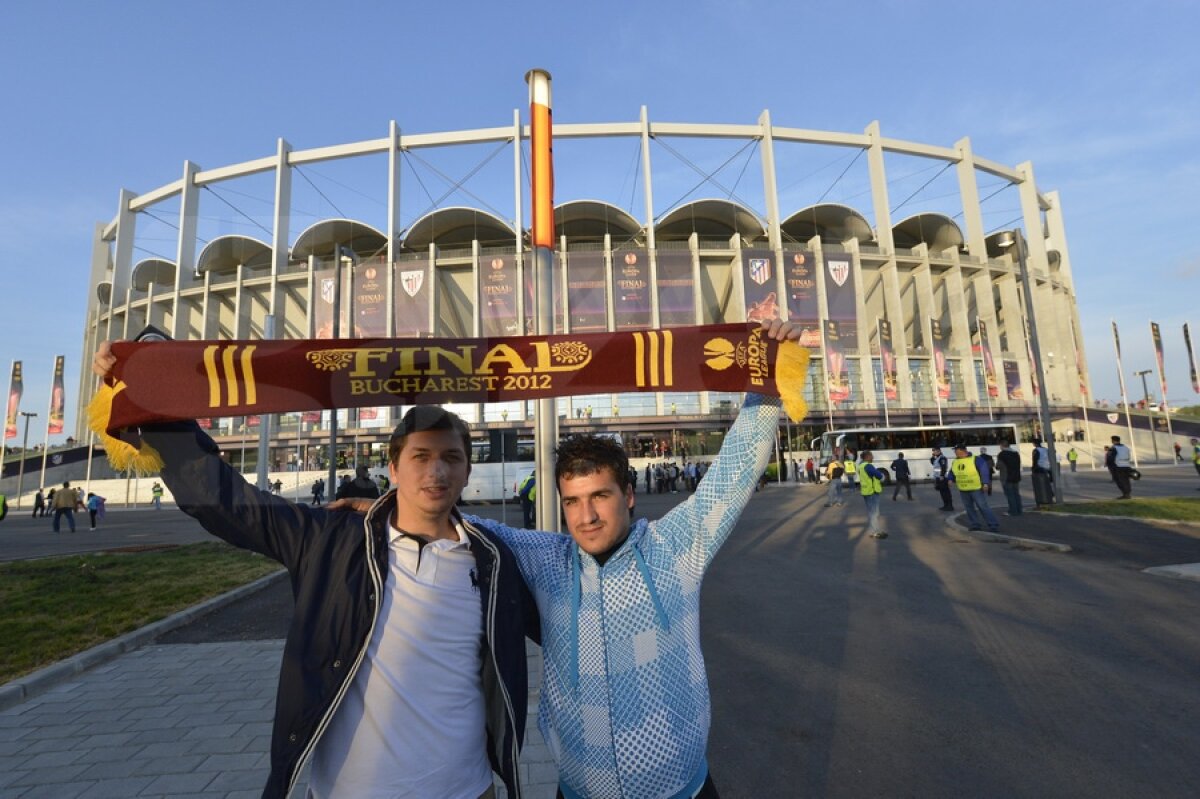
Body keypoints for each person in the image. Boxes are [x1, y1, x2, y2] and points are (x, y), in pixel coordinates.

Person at [92, 343, 536, 799]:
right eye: (421, 457)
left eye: (451, 458)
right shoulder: (330, 541)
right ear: (394, 468)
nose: (436, 472)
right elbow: (225, 501)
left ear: (466, 471)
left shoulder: (495, 561)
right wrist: (156, 387)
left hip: (467, 790)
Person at [480, 318, 805, 797]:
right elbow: (473, 530)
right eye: (572, 501)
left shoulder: (676, 547)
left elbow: (737, 465)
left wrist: (767, 375)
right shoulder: (547, 559)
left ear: (628, 495)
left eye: (600, 496)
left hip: (682, 790)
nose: (585, 516)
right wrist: (384, 509)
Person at [948, 443, 1000, 532]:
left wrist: (985, 483)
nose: (955, 452)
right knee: (969, 508)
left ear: (962, 450)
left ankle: (993, 525)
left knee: (983, 507)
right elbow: (952, 471)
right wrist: (950, 479)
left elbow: (984, 471)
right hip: (963, 489)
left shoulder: (976, 459)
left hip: (976, 488)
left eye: (956, 450)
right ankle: (975, 524)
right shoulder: (955, 461)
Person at [859, 450, 887, 539]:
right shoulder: (868, 466)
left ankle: (873, 530)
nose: (873, 458)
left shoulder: (861, 466)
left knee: (872, 512)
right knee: (874, 513)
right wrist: (882, 476)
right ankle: (876, 531)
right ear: (867, 457)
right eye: (872, 456)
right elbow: (878, 475)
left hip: (866, 491)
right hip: (872, 492)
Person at [996, 439, 1023, 516]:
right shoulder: (1015, 453)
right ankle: (1019, 510)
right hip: (1016, 476)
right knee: (1016, 494)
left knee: (1010, 495)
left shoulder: (1001, 454)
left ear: (1001, 446)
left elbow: (998, 466)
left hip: (1006, 477)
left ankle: (1013, 511)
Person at [1106, 435, 1133, 499]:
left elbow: (1111, 458)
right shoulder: (1125, 447)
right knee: (1126, 480)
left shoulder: (1114, 448)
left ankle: (1125, 494)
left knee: (1119, 480)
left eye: (1112, 440)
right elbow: (1128, 456)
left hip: (1118, 466)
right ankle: (1127, 493)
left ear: (1113, 440)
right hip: (1126, 465)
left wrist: (1109, 464)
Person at [1031, 438, 1054, 507]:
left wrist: (1033, 468)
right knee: (1047, 483)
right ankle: (1050, 495)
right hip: (1048, 468)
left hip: (1040, 468)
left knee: (1041, 484)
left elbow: (1035, 460)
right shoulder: (1045, 449)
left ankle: (1046, 497)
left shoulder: (1036, 450)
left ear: (1035, 444)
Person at [931, 446, 953, 511]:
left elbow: (943, 467)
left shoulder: (942, 458)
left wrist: (942, 476)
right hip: (938, 478)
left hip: (942, 478)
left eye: (934, 451)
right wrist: (932, 456)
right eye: (933, 451)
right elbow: (932, 462)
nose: (933, 452)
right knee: (942, 493)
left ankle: (949, 506)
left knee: (946, 492)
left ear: (939, 451)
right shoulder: (937, 458)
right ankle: (945, 505)